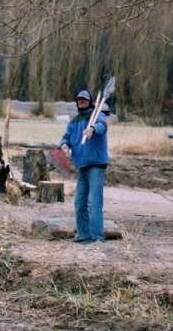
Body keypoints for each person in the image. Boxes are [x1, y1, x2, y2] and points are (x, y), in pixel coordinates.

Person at [59, 89, 109, 243]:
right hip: (82, 165)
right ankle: (83, 235)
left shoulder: (97, 115)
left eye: (85, 100)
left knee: (94, 201)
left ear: (90, 101)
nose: (82, 102)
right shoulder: (74, 121)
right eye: (79, 100)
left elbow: (102, 126)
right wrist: (64, 145)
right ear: (77, 102)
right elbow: (65, 137)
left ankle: (97, 237)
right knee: (79, 202)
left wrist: (92, 129)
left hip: (96, 164)